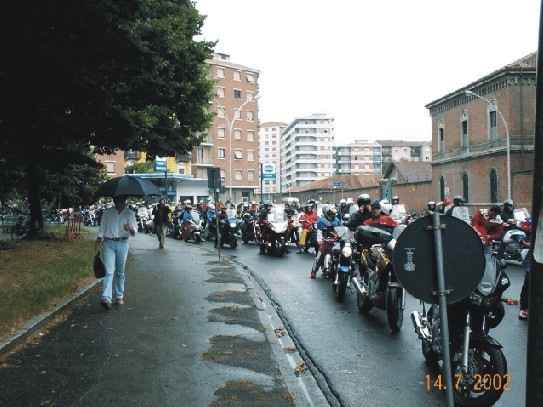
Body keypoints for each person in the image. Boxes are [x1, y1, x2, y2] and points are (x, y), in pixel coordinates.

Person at [95, 195, 137, 310]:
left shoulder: (129, 213)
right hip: (108, 243)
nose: (120, 201)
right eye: (118, 199)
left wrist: (130, 228)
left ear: (125, 200)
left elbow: (135, 231)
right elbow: (102, 229)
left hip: (123, 243)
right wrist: (98, 241)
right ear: (114, 200)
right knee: (108, 271)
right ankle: (106, 298)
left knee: (120, 271)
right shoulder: (107, 212)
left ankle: (119, 295)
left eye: (122, 199)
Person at [310, 206, 341, 279]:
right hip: (325, 239)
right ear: (326, 214)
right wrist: (320, 242)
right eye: (330, 214)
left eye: (333, 214)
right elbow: (319, 232)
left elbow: (341, 230)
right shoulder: (321, 220)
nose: (332, 215)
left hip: (335, 240)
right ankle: (314, 271)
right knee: (319, 255)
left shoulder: (337, 220)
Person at [518, 217, 532, 320]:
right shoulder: (534, 217)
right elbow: (522, 226)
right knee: (528, 281)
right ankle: (524, 308)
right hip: (535, 255)